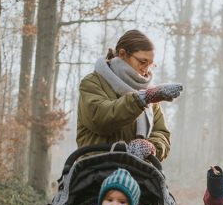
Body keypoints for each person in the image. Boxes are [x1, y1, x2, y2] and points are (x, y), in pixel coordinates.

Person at [76, 29, 183, 161]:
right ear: (122, 54)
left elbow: (161, 133)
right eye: (142, 62)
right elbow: (99, 119)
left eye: (150, 64)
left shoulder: (151, 94)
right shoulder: (93, 83)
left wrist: (151, 147)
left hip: (138, 170)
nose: (146, 70)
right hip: (96, 169)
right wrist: (141, 99)